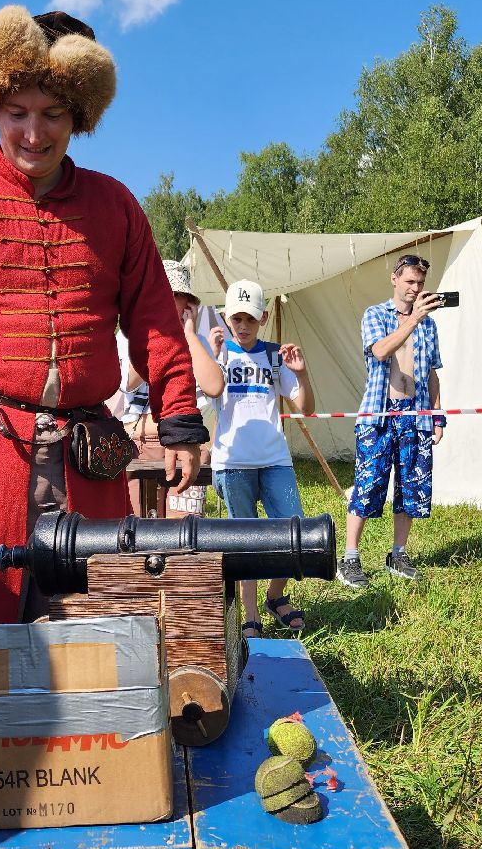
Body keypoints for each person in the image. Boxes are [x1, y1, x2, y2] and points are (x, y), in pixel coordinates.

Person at [0, 5, 208, 748]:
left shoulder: (114, 204)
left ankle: (89, 758)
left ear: (77, 116)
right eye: (17, 111)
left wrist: (179, 415)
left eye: (52, 113)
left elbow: (153, 316)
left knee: (91, 606)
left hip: (86, 449)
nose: (32, 132)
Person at [207, 279, 316, 633]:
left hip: (274, 459)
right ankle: (250, 614)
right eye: (236, 318)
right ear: (225, 317)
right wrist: (211, 355)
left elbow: (306, 409)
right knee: (245, 538)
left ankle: (275, 595)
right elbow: (209, 392)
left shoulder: (273, 354)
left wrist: (301, 373)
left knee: (294, 531)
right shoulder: (218, 352)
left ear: (263, 317)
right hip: (233, 461)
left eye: (250, 319)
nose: (242, 326)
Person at [337, 254, 446, 589]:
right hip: (380, 413)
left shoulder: (429, 323)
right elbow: (381, 351)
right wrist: (412, 320)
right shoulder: (376, 314)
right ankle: (350, 558)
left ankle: (398, 553)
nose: (415, 289)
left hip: (416, 414)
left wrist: (437, 414)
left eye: (421, 283)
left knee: (411, 489)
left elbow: (431, 374)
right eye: (410, 282)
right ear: (395, 280)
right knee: (368, 486)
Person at [119, 260, 220, 518]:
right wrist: (153, 335)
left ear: (188, 303)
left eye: (176, 295)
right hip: (141, 443)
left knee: (183, 532)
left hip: (186, 441)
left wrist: (187, 335)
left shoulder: (195, 341)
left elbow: (214, 386)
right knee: (140, 530)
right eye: (163, 293)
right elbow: (129, 382)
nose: (168, 300)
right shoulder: (129, 336)